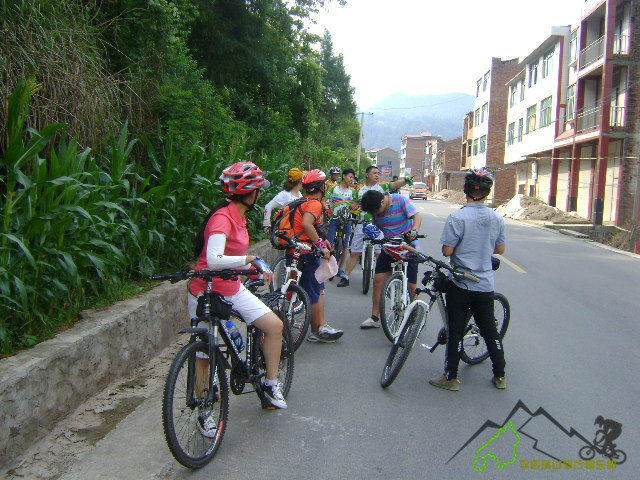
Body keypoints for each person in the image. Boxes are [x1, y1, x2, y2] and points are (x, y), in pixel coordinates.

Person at [189, 162, 288, 436]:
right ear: (250, 193)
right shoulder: (223, 218)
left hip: (232, 287)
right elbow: (214, 259)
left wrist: (252, 267)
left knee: (274, 326)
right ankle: (204, 411)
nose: (261, 194)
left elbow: (229, 258)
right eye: (259, 190)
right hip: (206, 291)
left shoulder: (239, 215)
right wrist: (250, 258)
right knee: (204, 354)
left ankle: (270, 383)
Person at [429, 168, 506, 392]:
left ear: (466, 190)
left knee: (455, 331)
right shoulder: (497, 218)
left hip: (460, 283)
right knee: (489, 330)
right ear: (487, 193)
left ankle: (451, 378)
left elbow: (447, 251)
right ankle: (500, 375)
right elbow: (500, 249)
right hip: (485, 284)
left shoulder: (457, 217)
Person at [291, 169, 344, 343]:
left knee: (319, 289)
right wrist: (321, 246)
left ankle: (322, 325)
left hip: (302, 251)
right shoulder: (315, 204)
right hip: (306, 252)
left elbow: (311, 226)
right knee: (314, 291)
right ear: (321, 186)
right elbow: (307, 224)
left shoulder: (303, 201)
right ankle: (316, 331)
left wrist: (323, 241)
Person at [336, 166, 411, 288]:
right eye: (374, 173)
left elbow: (395, 184)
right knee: (354, 252)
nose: (377, 175)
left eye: (378, 173)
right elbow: (353, 202)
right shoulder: (359, 188)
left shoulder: (382, 186)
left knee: (379, 253)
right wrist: (353, 206)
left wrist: (406, 180)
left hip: (377, 225)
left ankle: (383, 279)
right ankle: (346, 277)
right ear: (367, 174)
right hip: (362, 223)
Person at [359, 190, 422, 328]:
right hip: (389, 247)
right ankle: (375, 317)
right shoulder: (375, 209)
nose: (376, 214)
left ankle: (413, 315)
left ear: (383, 202)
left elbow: (417, 216)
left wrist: (414, 231)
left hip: (409, 247)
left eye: (376, 211)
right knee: (378, 281)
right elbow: (377, 227)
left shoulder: (400, 200)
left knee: (412, 287)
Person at [326, 168, 356, 277]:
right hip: (334, 219)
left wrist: (354, 206)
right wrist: (327, 210)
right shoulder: (333, 188)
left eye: (353, 177)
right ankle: (328, 267)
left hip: (347, 220)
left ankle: (341, 269)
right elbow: (324, 201)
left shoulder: (353, 191)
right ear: (344, 176)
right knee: (329, 244)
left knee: (346, 245)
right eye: (350, 177)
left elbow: (354, 205)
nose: (352, 179)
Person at [263, 168, 304, 232]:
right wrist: (266, 224)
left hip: (296, 228)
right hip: (286, 230)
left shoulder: (299, 193)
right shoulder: (284, 194)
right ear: (299, 181)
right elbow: (268, 206)